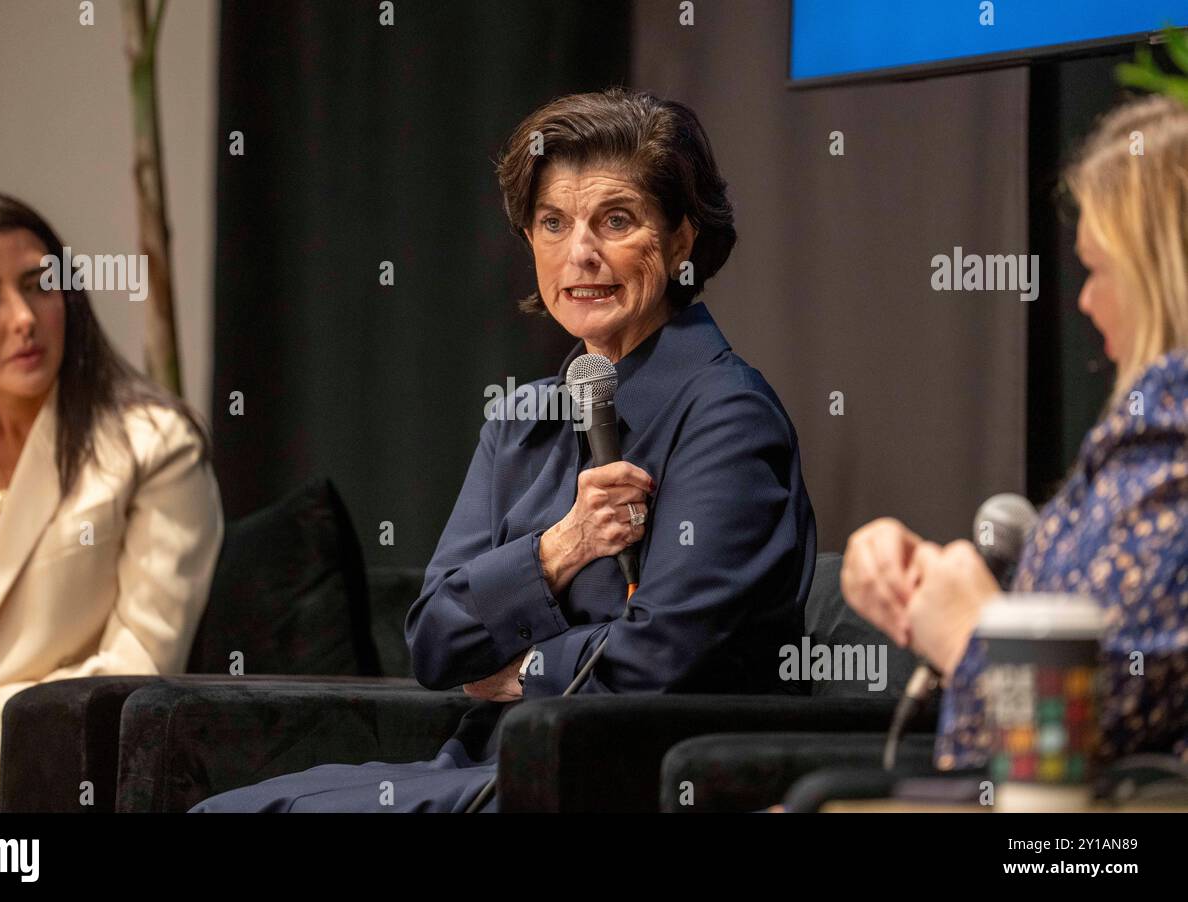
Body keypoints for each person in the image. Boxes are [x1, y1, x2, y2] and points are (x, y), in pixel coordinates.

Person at [192, 87, 817, 812]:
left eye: (616, 220)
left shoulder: (727, 415)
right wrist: (558, 550)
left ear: (681, 239)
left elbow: (663, 661)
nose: (580, 252)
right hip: (489, 760)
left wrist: (520, 669)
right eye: (553, 223)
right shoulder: (523, 418)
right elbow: (432, 641)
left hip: (623, 778)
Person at [841, 95, 1188, 773]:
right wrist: (935, 588)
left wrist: (970, 634)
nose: (1085, 301)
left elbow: (1079, 730)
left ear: (1163, 274)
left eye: (1098, 268)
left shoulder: (1170, 422)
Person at [0, 190, 223, 811]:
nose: (23, 316)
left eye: (41, 283)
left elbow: (142, 666)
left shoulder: (155, 446)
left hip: (34, 772)